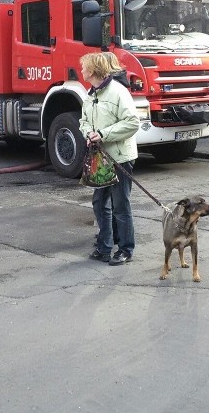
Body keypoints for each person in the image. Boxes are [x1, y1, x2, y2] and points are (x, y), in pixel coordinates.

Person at [79, 52, 139, 265]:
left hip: (119, 158)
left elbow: (133, 122)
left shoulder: (118, 92)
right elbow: (83, 120)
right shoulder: (91, 93)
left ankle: (125, 249)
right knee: (99, 202)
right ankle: (104, 247)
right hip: (100, 158)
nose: (82, 70)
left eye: (84, 67)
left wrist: (103, 134)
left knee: (120, 205)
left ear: (94, 70)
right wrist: (88, 133)